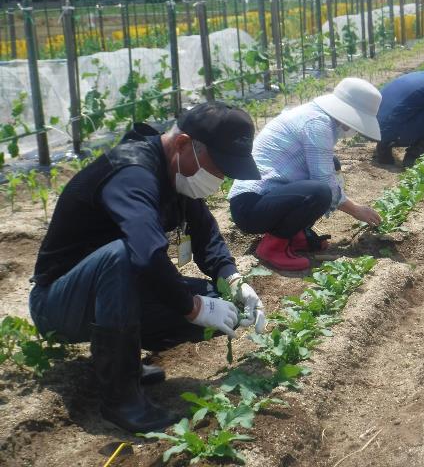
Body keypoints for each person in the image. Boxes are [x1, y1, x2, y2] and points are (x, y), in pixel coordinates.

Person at [29, 102, 265, 433]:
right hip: (58, 302)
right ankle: (122, 400)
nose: (220, 179)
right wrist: (193, 307)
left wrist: (234, 279)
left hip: (112, 292)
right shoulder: (132, 174)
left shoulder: (178, 173)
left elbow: (207, 235)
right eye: (218, 168)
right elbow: (145, 254)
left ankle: (124, 363)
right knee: (123, 257)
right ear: (183, 144)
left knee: (220, 300)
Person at [228, 77, 382, 272]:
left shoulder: (316, 116)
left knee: (326, 176)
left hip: (264, 199)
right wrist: (356, 210)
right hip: (250, 206)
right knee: (320, 191)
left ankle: (296, 236)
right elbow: (323, 181)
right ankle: (272, 248)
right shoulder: (317, 124)